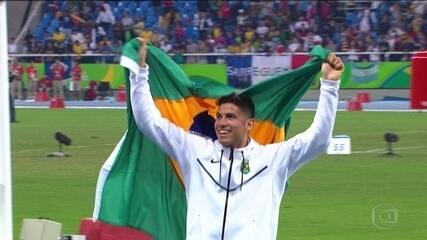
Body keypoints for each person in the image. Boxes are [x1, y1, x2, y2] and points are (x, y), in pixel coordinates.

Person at [129, 39, 343, 239]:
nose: (221, 122)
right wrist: (139, 73)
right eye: (219, 116)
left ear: (249, 124)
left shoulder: (274, 158)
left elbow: (319, 139)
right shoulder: (193, 150)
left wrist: (330, 87)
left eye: (230, 117)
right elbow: (148, 121)